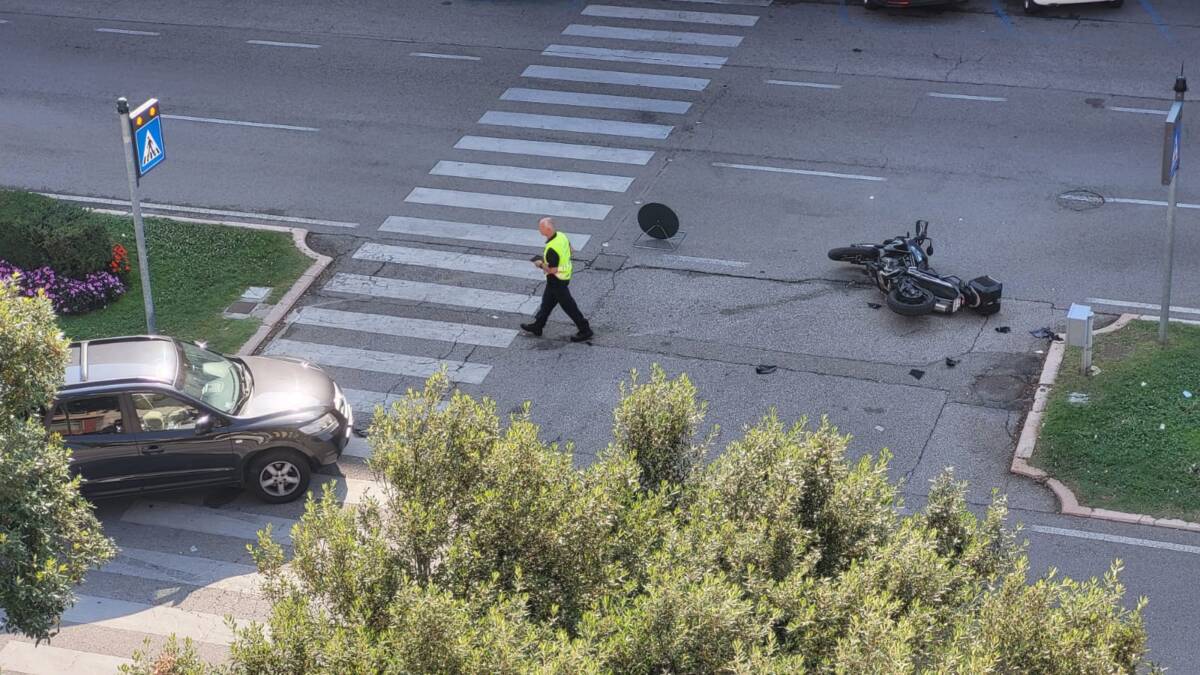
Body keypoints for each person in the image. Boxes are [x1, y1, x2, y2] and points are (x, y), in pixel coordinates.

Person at [521, 217, 594, 342]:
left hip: (557, 280)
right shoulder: (561, 235)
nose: (539, 230)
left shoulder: (551, 249)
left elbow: (552, 270)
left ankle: (585, 329)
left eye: (541, 228)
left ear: (547, 229)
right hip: (563, 276)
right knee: (547, 302)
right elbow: (571, 250)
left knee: (569, 306)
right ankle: (538, 325)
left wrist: (539, 264)